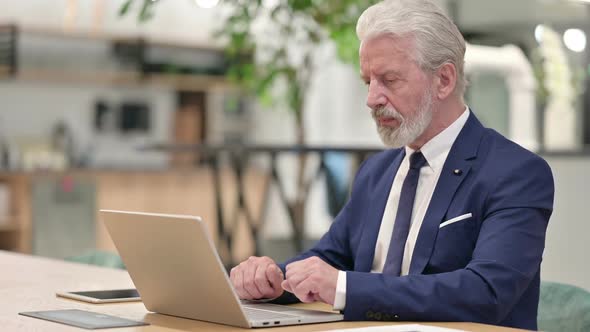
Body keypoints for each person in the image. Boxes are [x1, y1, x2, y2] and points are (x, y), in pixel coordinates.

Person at [229, 0, 554, 330]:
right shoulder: (377, 171)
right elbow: (329, 258)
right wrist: (272, 281)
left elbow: (485, 293)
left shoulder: (516, 173)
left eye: (389, 79)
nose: (372, 98)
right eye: (367, 81)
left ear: (443, 79)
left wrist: (343, 287)